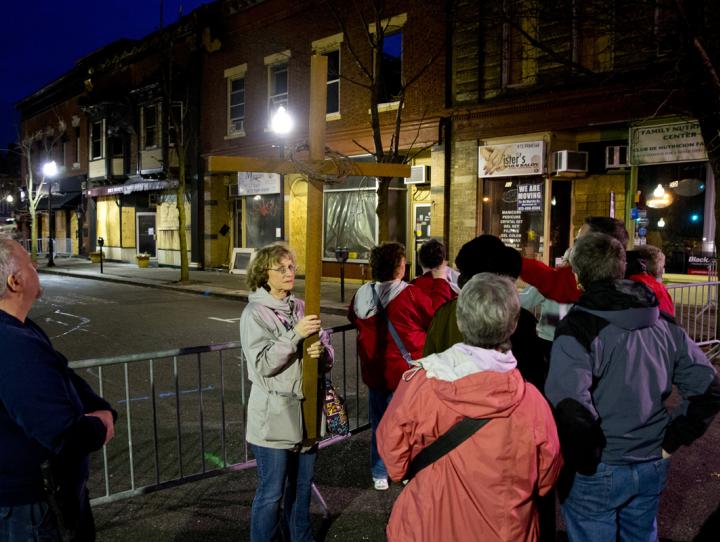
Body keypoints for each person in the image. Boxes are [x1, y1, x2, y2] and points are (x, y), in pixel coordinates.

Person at [545, 232, 720, 542]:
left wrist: (585, 460)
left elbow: (569, 405)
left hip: (601, 466)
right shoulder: (662, 321)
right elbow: (707, 386)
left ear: (577, 274)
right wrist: (672, 438)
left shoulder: (579, 327)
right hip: (650, 459)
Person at [377, 273, 563, 542]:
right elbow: (546, 477)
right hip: (505, 530)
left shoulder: (421, 385)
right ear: (512, 324)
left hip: (428, 525)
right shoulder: (532, 402)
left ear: (461, 320)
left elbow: (393, 456)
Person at [0, 238, 117, 541]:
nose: (35, 267)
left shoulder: (22, 329)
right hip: (32, 506)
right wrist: (99, 425)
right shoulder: (13, 344)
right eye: (29, 263)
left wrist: (97, 404)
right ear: (15, 281)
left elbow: (64, 373)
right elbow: (61, 432)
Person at [240, 243, 332, 542]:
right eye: (281, 268)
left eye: (292, 266)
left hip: (305, 412)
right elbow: (264, 363)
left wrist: (323, 353)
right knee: (272, 493)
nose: (290, 272)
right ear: (263, 274)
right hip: (274, 418)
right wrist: (296, 335)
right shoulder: (254, 313)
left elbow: (326, 348)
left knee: (302, 488)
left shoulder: (301, 307)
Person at [348, 242, 451, 491]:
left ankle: (379, 471)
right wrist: (439, 281)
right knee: (409, 424)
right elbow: (436, 313)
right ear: (399, 267)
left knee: (380, 423)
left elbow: (353, 316)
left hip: (374, 371)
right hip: (407, 372)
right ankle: (403, 468)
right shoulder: (410, 294)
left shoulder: (362, 294)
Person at [423, 234, 545, 390]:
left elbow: (429, 366)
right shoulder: (517, 318)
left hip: (450, 405)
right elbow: (533, 379)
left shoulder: (444, 314)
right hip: (502, 407)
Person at [520, 216, 675, 314]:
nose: (574, 248)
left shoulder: (650, 293)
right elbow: (552, 280)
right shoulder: (593, 279)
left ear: (604, 245)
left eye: (581, 242)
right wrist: (510, 260)